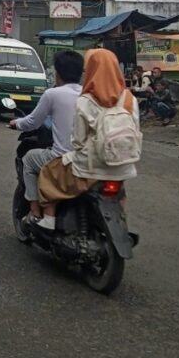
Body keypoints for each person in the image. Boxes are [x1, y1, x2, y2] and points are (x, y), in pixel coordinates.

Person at [35, 49, 141, 231]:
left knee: (48, 172)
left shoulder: (86, 100)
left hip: (89, 168)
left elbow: (77, 140)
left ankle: (48, 219)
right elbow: (135, 129)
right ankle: (120, 221)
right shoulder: (129, 99)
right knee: (120, 194)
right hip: (123, 166)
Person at [10, 50, 84, 223]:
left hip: (61, 159)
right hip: (90, 160)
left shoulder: (53, 94)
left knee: (29, 159)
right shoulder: (90, 95)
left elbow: (32, 122)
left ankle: (35, 212)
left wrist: (16, 123)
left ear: (57, 72)